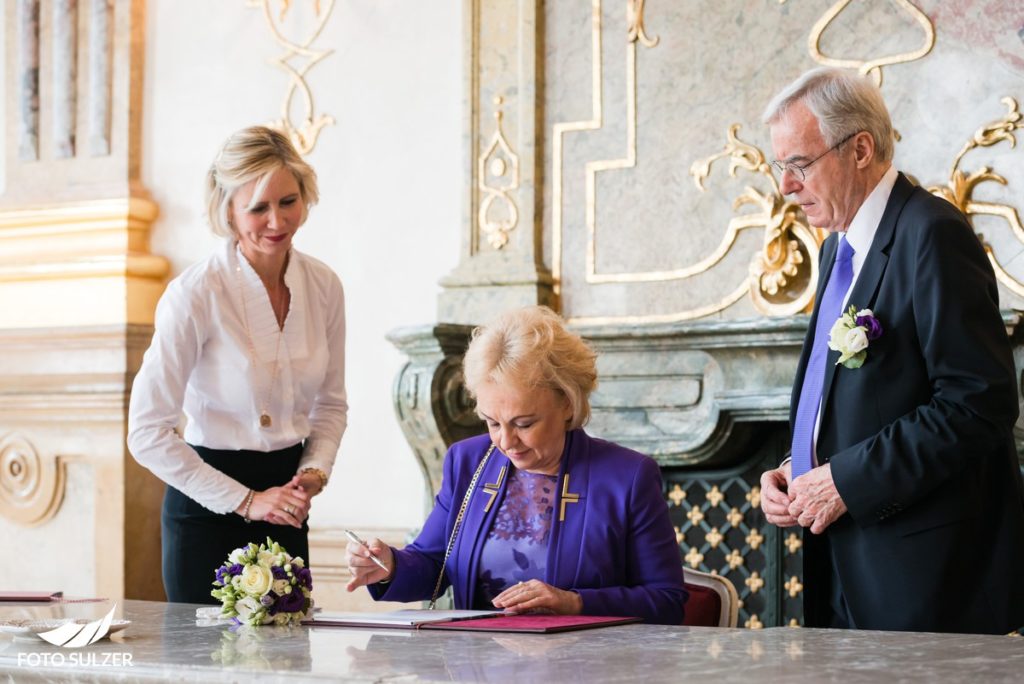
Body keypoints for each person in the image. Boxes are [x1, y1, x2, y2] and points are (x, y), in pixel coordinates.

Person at [758, 67, 1024, 633]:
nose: (785, 186)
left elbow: (978, 404)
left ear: (860, 149)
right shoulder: (837, 251)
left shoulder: (932, 233)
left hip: (925, 581)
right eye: (780, 167)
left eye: (799, 164)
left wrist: (845, 482)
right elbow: (859, 400)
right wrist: (795, 470)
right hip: (843, 562)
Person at [345, 306, 686, 625]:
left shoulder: (628, 477)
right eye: (492, 422)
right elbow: (435, 563)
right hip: (474, 666)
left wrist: (574, 602)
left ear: (567, 402)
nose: (506, 442)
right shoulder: (467, 462)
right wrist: (388, 565)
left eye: (523, 423)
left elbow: (667, 601)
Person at [127, 126, 348, 603]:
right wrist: (247, 501)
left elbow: (331, 404)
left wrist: (314, 473)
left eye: (289, 201)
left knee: (284, 667)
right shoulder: (194, 294)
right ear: (227, 210)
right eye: (258, 208)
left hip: (288, 508)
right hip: (206, 513)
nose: (277, 221)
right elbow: (146, 432)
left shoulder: (325, 286)